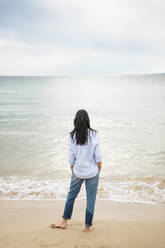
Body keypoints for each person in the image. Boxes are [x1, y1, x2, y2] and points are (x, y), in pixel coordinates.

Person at [49, 109, 102, 232]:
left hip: (77, 171)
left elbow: (71, 157)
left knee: (71, 196)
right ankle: (87, 226)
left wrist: (73, 170)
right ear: (88, 120)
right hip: (92, 173)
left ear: (75, 121)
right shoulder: (95, 135)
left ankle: (64, 222)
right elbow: (98, 156)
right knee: (91, 199)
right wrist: (99, 168)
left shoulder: (71, 136)